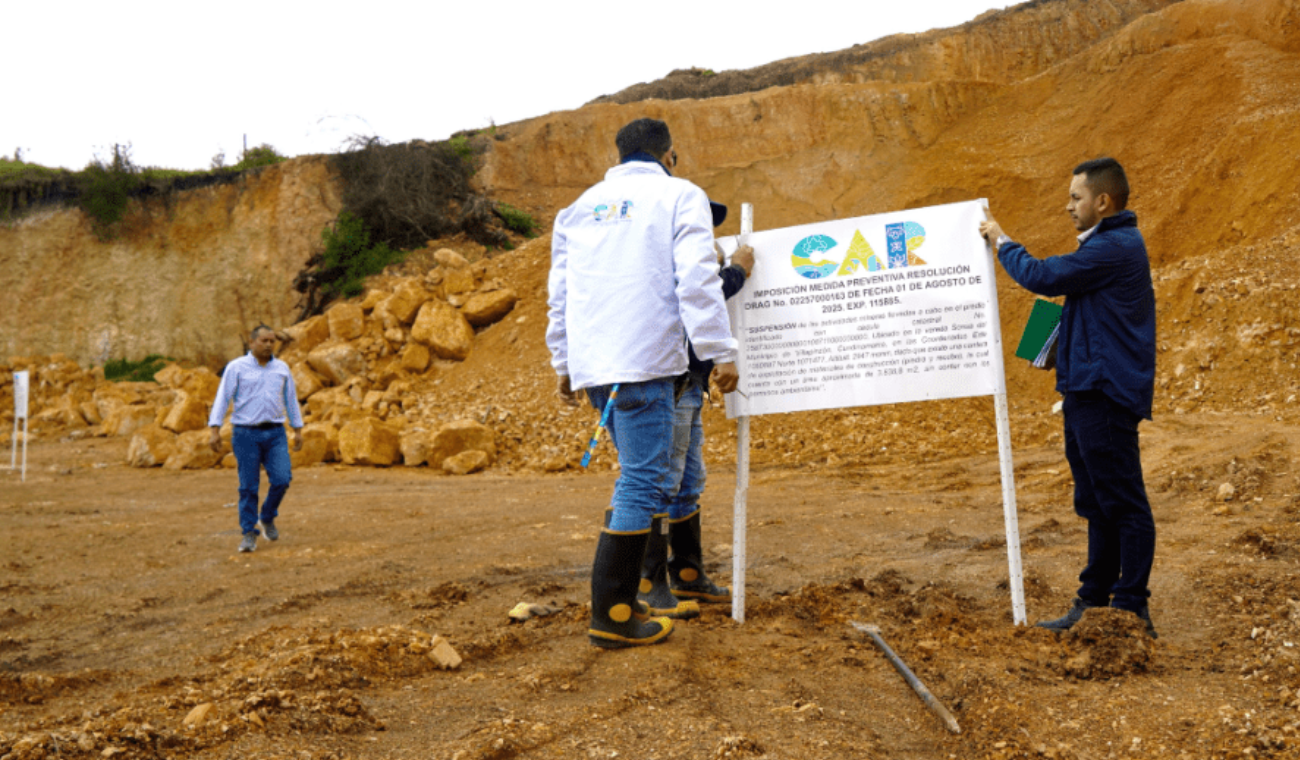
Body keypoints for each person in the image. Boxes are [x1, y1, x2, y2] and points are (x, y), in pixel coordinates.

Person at [547, 117, 740, 648]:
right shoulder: (680, 195)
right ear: (670, 156)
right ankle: (611, 616)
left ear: (620, 154)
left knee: (639, 478)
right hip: (648, 362)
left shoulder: (577, 208)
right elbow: (697, 279)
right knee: (642, 483)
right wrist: (720, 350)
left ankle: (624, 601)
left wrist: (564, 363)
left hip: (597, 366)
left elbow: (560, 293)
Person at [980, 157, 1158, 638]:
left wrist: (1001, 240)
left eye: (1076, 197)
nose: (1068, 206)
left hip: (1104, 394)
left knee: (1122, 501)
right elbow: (1079, 305)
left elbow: (1043, 277)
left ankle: (1129, 607)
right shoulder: (1104, 247)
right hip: (1084, 390)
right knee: (1097, 502)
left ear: (1103, 201)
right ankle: (1094, 599)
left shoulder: (1116, 246)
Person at [638, 210, 754, 618]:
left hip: (688, 385)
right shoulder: (665, 254)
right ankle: (650, 586)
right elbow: (694, 294)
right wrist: (736, 272)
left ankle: (686, 574)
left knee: (688, 480)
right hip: (669, 383)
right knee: (662, 481)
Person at [208, 324, 304, 553]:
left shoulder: (281, 368)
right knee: (249, 486)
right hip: (245, 433)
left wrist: (298, 428)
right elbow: (223, 397)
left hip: (275, 432)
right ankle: (249, 532)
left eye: (272, 341)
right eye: (264, 341)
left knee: (282, 479)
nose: (269, 345)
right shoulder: (236, 368)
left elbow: (290, 398)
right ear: (252, 343)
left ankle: (267, 516)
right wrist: (214, 428)